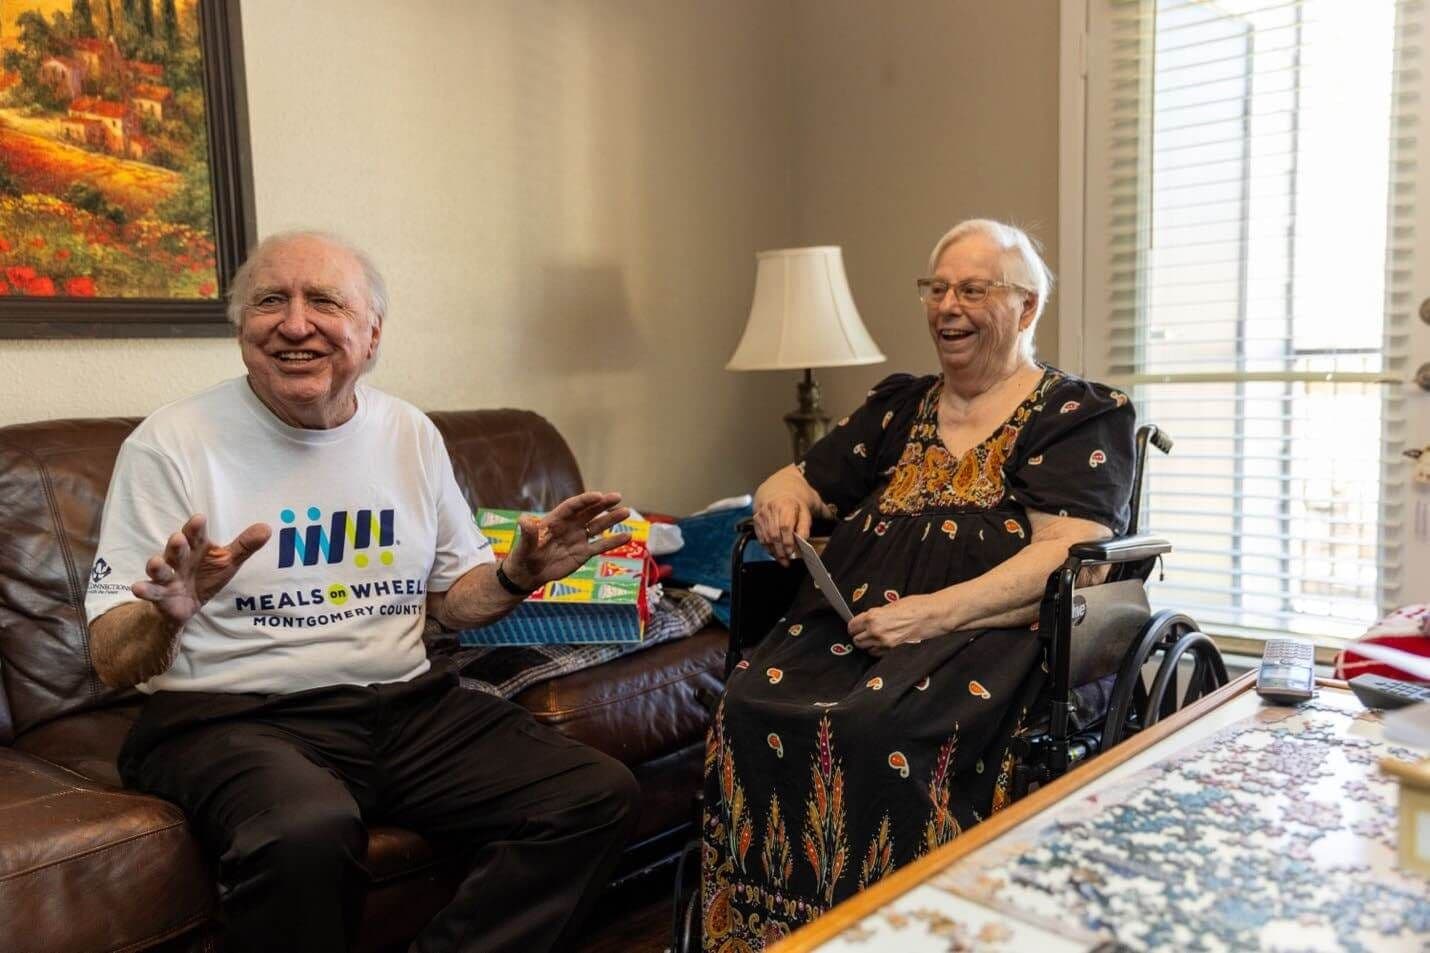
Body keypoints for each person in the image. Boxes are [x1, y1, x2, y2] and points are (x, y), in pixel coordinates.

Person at [85, 230, 640, 953]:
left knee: (594, 793)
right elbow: (108, 656)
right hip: (232, 716)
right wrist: (166, 616)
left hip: (402, 706)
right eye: (269, 302)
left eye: (323, 300)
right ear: (241, 328)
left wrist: (515, 576)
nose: (293, 323)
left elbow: (452, 597)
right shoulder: (171, 444)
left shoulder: (408, 432)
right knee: (306, 830)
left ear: (373, 333)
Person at [700, 219, 1136, 950]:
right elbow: (798, 475)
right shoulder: (900, 407)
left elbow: (1065, 555)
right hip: (851, 627)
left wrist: (929, 616)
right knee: (745, 703)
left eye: (972, 290)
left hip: (986, 636)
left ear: (1026, 309)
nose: (947, 307)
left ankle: (900, 930)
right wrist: (782, 498)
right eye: (937, 289)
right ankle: (763, 932)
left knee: (881, 730)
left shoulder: (1074, 415)